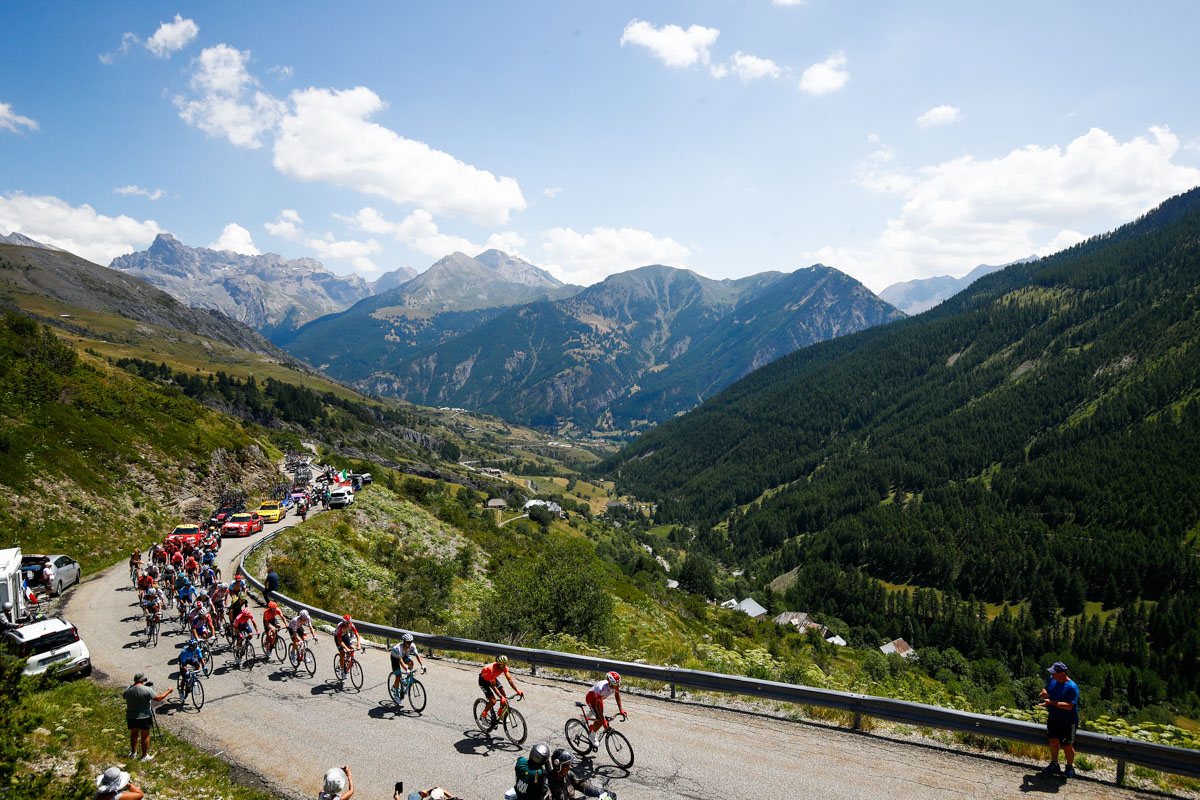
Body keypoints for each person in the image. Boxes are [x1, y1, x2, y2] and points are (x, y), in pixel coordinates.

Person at [1039, 661, 1080, 778]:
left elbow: (1069, 706)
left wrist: (1051, 702)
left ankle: (1070, 768)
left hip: (1068, 721)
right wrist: (1044, 694)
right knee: (1053, 741)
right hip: (1053, 718)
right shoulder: (1053, 680)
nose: (1052, 675)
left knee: (1067, 745)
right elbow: (1045, 688)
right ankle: (1054, 764)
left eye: (1054, 673)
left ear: (1062, 673)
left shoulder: (1072, 687)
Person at [123, 672, 171, 761]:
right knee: (145, 736)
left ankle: (133, 753)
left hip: (131, 716)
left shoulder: (128, 689)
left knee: (134, 734)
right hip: (144, 716)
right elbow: (158, 698)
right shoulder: (146, 689)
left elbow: (124, 696)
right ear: (143, 680)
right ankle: (144, 756)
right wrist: (168, 691)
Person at [585, 672, 626, 749]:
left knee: (601, 718)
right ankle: (592, 736)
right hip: (592, 699)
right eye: (615, 685)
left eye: (618, 685)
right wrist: (603, 721)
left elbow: (617, 695)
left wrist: (621, 709)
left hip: (599, 700)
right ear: (610, 683)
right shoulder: (602, 688)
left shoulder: (616, 684)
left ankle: (593, 727)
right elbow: (597, 706)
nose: (617, 687)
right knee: (601, 719)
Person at [479, 655, 523, 725]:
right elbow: (493, 686)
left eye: (505, 665)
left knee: (504, 696)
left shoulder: (504, 668)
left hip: (492, 678)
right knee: (493, 701)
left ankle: (500, 714)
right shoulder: (491, 669)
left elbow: (510, 680)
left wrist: (517, 690)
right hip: (483, 681)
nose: (504, 667)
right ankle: (483, 715)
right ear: (498, 664)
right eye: (502, 665)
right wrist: (500, 697)